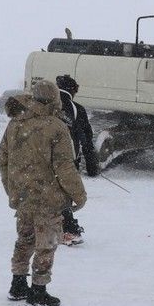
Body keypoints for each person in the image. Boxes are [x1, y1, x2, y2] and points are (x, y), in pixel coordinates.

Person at [0, 81, 87, 306]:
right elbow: (64, 167)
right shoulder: (56, 127)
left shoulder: (15, 123)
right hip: (48, 198)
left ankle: (18, 284)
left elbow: (3, 160)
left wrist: (12, 188)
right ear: (55, 99)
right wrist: (79, 195)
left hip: (23, 197)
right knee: (46, 244)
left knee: (24, 240)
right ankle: (38, 290)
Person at [55, 74, 99, 246]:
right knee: (64, 194)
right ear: (72, 90)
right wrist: (91, 166)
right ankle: (69, 230)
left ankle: (39, 228)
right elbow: (86, 140)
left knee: (43, 192)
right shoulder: (76, 109)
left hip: (40, 158)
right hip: (67, 159)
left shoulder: (43, 105)